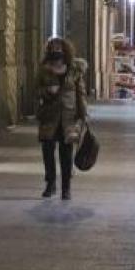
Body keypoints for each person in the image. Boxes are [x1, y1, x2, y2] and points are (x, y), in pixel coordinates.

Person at [36, 37, 88, 201]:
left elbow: (80, 93)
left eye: (59, 47)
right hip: (49, 116)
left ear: (65, 50)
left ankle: (66, 188)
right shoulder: (44, 70)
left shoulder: (74, 70)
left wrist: (83, 115)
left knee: (66, 154)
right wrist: (47, 91)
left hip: (68, 116)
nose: (56, 50)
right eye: (53, 47)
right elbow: (36, 90)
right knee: (48, 151)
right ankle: (50, 183)